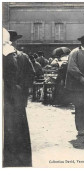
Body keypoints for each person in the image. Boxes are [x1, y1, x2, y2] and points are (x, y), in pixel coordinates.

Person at [3, 28, 32, 167]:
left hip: (10, 99)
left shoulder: (19, 56)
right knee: (18, 128)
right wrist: (23, 89)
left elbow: (30, 75)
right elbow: (30, 76)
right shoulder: (22, 56)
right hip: (17, 99)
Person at [8, 30, 35, 107]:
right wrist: (25, 87)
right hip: (21, 93)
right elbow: (31, 73)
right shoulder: (23, 56)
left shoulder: (4, 56)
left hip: (7, 94)